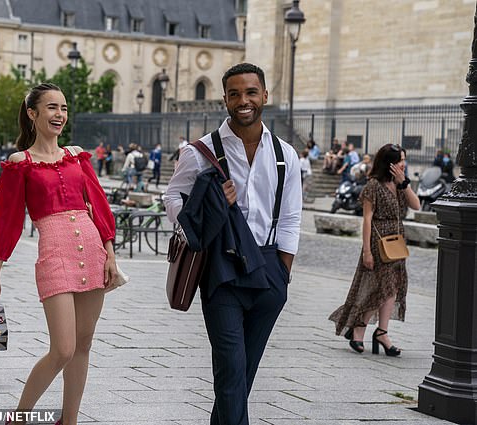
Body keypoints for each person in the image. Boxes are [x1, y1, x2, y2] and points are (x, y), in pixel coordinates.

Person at [164, 63, 302, 425]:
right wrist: (202, 216)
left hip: (270, 269)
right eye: (235, 93)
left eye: (251, 92)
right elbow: (173, 197)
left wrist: (283, 272)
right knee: (230, 369)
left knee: (243, 375)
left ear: (265, 96)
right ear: (224, 98)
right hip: (222, 271)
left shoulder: (285, 153)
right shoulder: (200, 150)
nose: (244, 101)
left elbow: (290, 216)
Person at [0, 83, 119, 425]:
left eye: (64, 108)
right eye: (52, 108)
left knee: (84, 346)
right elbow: (7, 219)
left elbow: (99, 205)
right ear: (33, 113)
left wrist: (110, 253)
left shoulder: (77, 155)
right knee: (63, 348)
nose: (60, 115)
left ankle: (68, 420)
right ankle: (19, 417)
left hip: (91, 249)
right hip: (54, 253)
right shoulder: (20, 163)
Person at [329, 144, 420, 356]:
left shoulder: (399, 184)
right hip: (379, 243)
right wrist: (367, 251)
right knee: (379, 287)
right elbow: (367, 220)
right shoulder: (372, 186)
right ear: (389, 163)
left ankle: (381, 332)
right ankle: (359, 328)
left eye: (403, 160)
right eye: (400, 161)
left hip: (396, 242)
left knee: (393, 287)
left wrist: (403, 182)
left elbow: (416, 205)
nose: (403, 164)